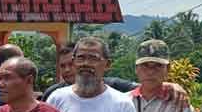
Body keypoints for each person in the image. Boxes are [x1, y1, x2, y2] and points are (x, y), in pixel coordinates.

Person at [42, 42, 188, 104]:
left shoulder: (113, 87)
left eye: (70, 64)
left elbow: (144, 87)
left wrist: (170, 85)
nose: (67, 69)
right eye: (63, 66)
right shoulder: (53, 94)